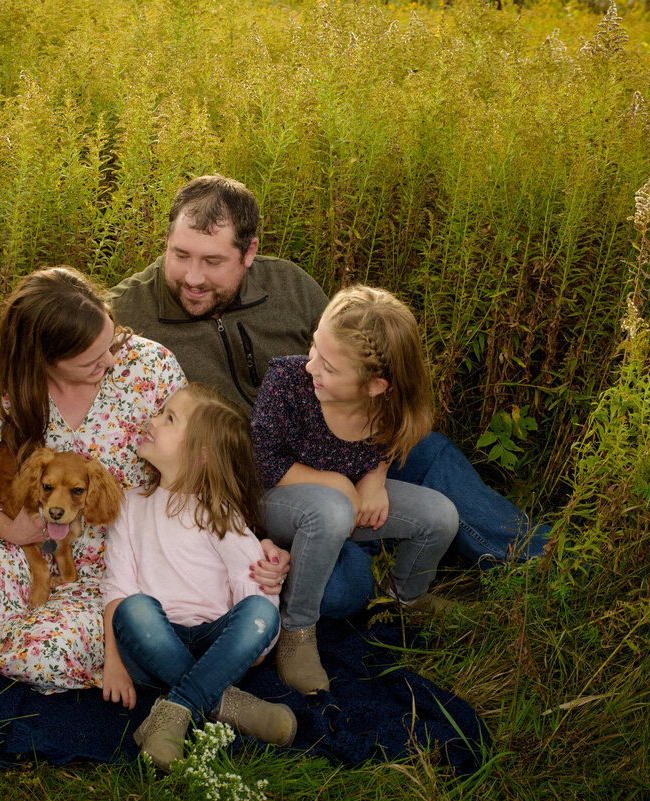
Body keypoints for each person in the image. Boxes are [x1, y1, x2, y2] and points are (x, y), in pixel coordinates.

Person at [109, 175, 549, 599]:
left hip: (339, 441)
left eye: (212, 261)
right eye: (180, 255)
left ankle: (540, 568)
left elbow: (356, 366)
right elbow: (69, 348)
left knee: (431, 452)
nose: (193, 277)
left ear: (249, 253)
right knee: (343, 591)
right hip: (252, 480)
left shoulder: (289, 286)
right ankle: (354, 557)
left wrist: (371, 471)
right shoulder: (129, 311)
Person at [0, 267, 284, 693]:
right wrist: (6, 527)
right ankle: (8, 646)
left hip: (118, 573)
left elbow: (196, 466)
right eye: (90, 359)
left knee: (52, 648)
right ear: (44, 360)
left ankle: (23, 652)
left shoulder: (150, 369)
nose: (112, 360)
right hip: (23, 549)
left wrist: (253, 543)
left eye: (111, 340)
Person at [253, 286, 459, 694]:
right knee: (331, 510)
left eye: (329, 366)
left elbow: (392, 440)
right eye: (314, 347)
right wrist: (338, 483)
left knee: (440, 517)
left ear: (376, 386)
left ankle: (404, 598)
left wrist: (375, 479)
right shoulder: (288, 382)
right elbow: (264, 462)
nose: (312, 365)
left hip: (344, 506)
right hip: (274, 501)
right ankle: (296, 629)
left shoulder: (390, 405)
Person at [100, 384, 296, 768]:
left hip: (213, 645)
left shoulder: (220, 512)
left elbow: (254, 587)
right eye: (160, 412)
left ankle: (177, 709)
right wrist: (113, 661)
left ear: (200, 455)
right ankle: (228, 704)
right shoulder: (130, 504)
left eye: (168, 418)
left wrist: (249, 651)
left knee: (262, 610)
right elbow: (116, 588)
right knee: (134, 607)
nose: (152, 420)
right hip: (151, 648)